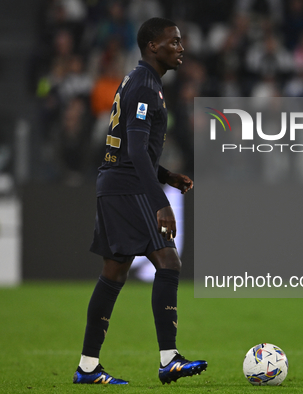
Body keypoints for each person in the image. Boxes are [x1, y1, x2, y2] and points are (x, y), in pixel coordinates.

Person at [72, 17, 206, 385]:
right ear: (152, 46)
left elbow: (137, 147)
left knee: (113, 273)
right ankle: (169, 358)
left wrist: (166, 175)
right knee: (168, 260)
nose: (180, 48)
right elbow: (134, 148)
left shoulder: (137, 79)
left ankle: (87, 367)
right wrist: (161, 200)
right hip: (127, 186)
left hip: (114, 183)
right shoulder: (146, 85)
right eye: (174, 41)